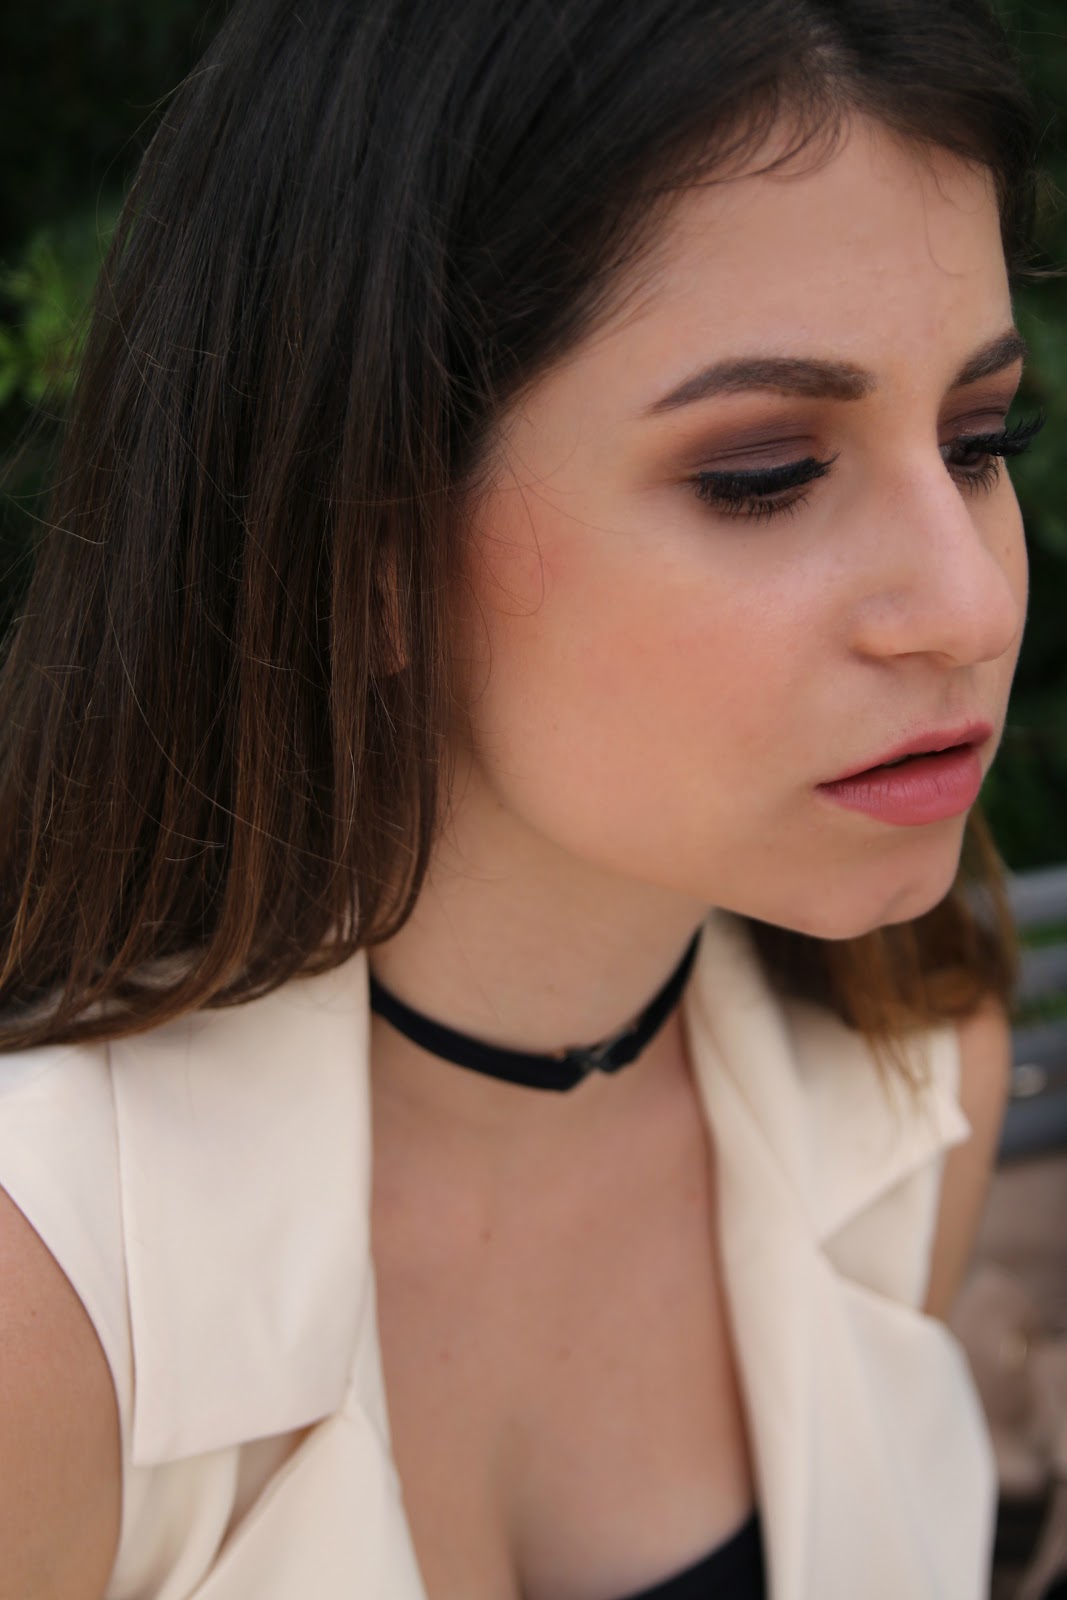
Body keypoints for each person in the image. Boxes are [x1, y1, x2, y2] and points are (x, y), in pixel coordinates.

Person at [0, 0, 1045, 1595]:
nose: (968, 603)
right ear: (367, 549)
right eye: (763, 477)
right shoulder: (47, 1312)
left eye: (980, 439)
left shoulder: (908, 1081)